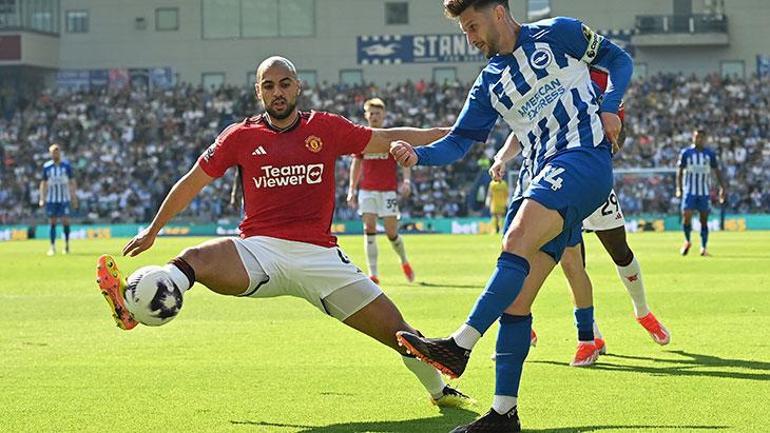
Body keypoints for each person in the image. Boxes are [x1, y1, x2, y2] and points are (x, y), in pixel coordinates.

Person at [96, 56, 472, 408]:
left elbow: (385, 137)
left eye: (284, 84)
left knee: (404, 336)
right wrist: (154, 229)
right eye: (269, 85)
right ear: (258, 91)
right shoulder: (239, 137)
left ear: (298, 87)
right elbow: (193, 181)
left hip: (321, 259)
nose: (278, 92)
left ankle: (440, 393)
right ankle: (133, 306)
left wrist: (449, 133)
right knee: (194, 260)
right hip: (261, 252)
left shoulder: (326, 128)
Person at [390, 1, 633, 430]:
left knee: (516, 238)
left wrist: (611, 104)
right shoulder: (489, 83)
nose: (471, 38)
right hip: (542, 173)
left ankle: (459, 346)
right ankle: (504, 414)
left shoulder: (559, 33)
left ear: (499, 12)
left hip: (583, 158)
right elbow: (460, 141)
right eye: (465, 31)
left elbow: (619, 59)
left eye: (473, 26)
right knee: (516, 300)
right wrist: (419, 155)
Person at [346, 98, 415, 284]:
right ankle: (373, 274)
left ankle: (404, 261)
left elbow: (405, 159)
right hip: (367, 191)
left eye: (378, 113)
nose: (374, 117)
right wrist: (352, 189)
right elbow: (356, 163)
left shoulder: (390, 137)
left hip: (388, 192)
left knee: (391, 233)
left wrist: (407, 181)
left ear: (383, 115)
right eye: (371, 113)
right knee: (368, 229)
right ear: (366, 115)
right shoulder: (362, 137)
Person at [676, 129, 726, 256]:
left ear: (705, 139)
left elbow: (717, 171)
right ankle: (687, 241)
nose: (699, 139)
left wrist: (722, 188)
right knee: (686, 216)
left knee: (704, 220)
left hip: (704, 192)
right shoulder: (686, 153)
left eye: (702, 138)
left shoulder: (710, 154)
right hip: (689, 191)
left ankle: (703, 248)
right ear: (693, 138)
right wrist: (679, 188)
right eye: (697, 137)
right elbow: (680, 171)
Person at [39, 144, 78, 256]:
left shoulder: (66, 166)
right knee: (52, 223)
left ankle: (66, 246)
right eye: (53, 152)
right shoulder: (47, 166)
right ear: (50, 154)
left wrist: (74, 197)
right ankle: (52, 247)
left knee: (66, 221)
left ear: (60, 153)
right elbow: (43, 183)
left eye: (57, 151)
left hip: (64, 198)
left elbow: (72, 182)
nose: (55, 154)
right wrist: (42, 198)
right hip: (51, 199)